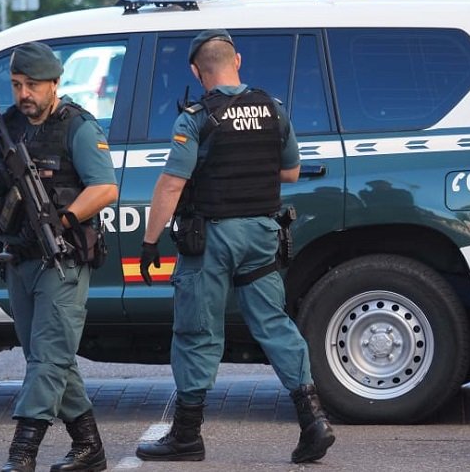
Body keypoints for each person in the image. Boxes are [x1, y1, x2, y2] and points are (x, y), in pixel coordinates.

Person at [135, 29, 335, 464]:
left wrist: (150, 242)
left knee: (197, 332)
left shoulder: (196, 117)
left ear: (196, 71)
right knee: (275, 324)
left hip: (212, 239)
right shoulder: (272, 108)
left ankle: (186, 436)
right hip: (262, 234)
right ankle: (313, 419)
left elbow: (171, 184)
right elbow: (291, 172)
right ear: (237, 61)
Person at [0, 42, 120, 472]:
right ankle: (89, 447)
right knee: (49, 357)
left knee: (47, 357)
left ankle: (22, 454)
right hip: (19, 258)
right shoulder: (11, 124)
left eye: (33, 85)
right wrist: (0, 167)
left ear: (55, 83)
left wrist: (64, 219)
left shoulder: (78, 127)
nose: (24, 94)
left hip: (62, 259)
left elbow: (106, 188)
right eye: (17, 85)